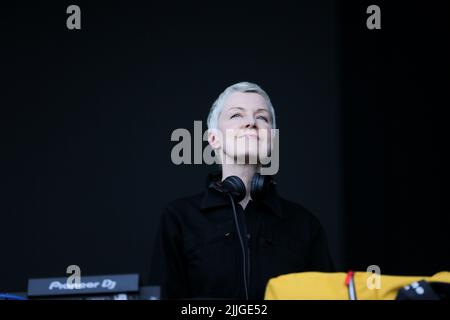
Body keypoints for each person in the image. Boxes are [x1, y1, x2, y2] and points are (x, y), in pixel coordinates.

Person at [150, 82, 334, 300]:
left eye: (262, 117)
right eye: (236, 115)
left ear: (272, 139)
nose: (250, 123)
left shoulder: (305, 225)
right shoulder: (179, 218)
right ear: (213, 139)